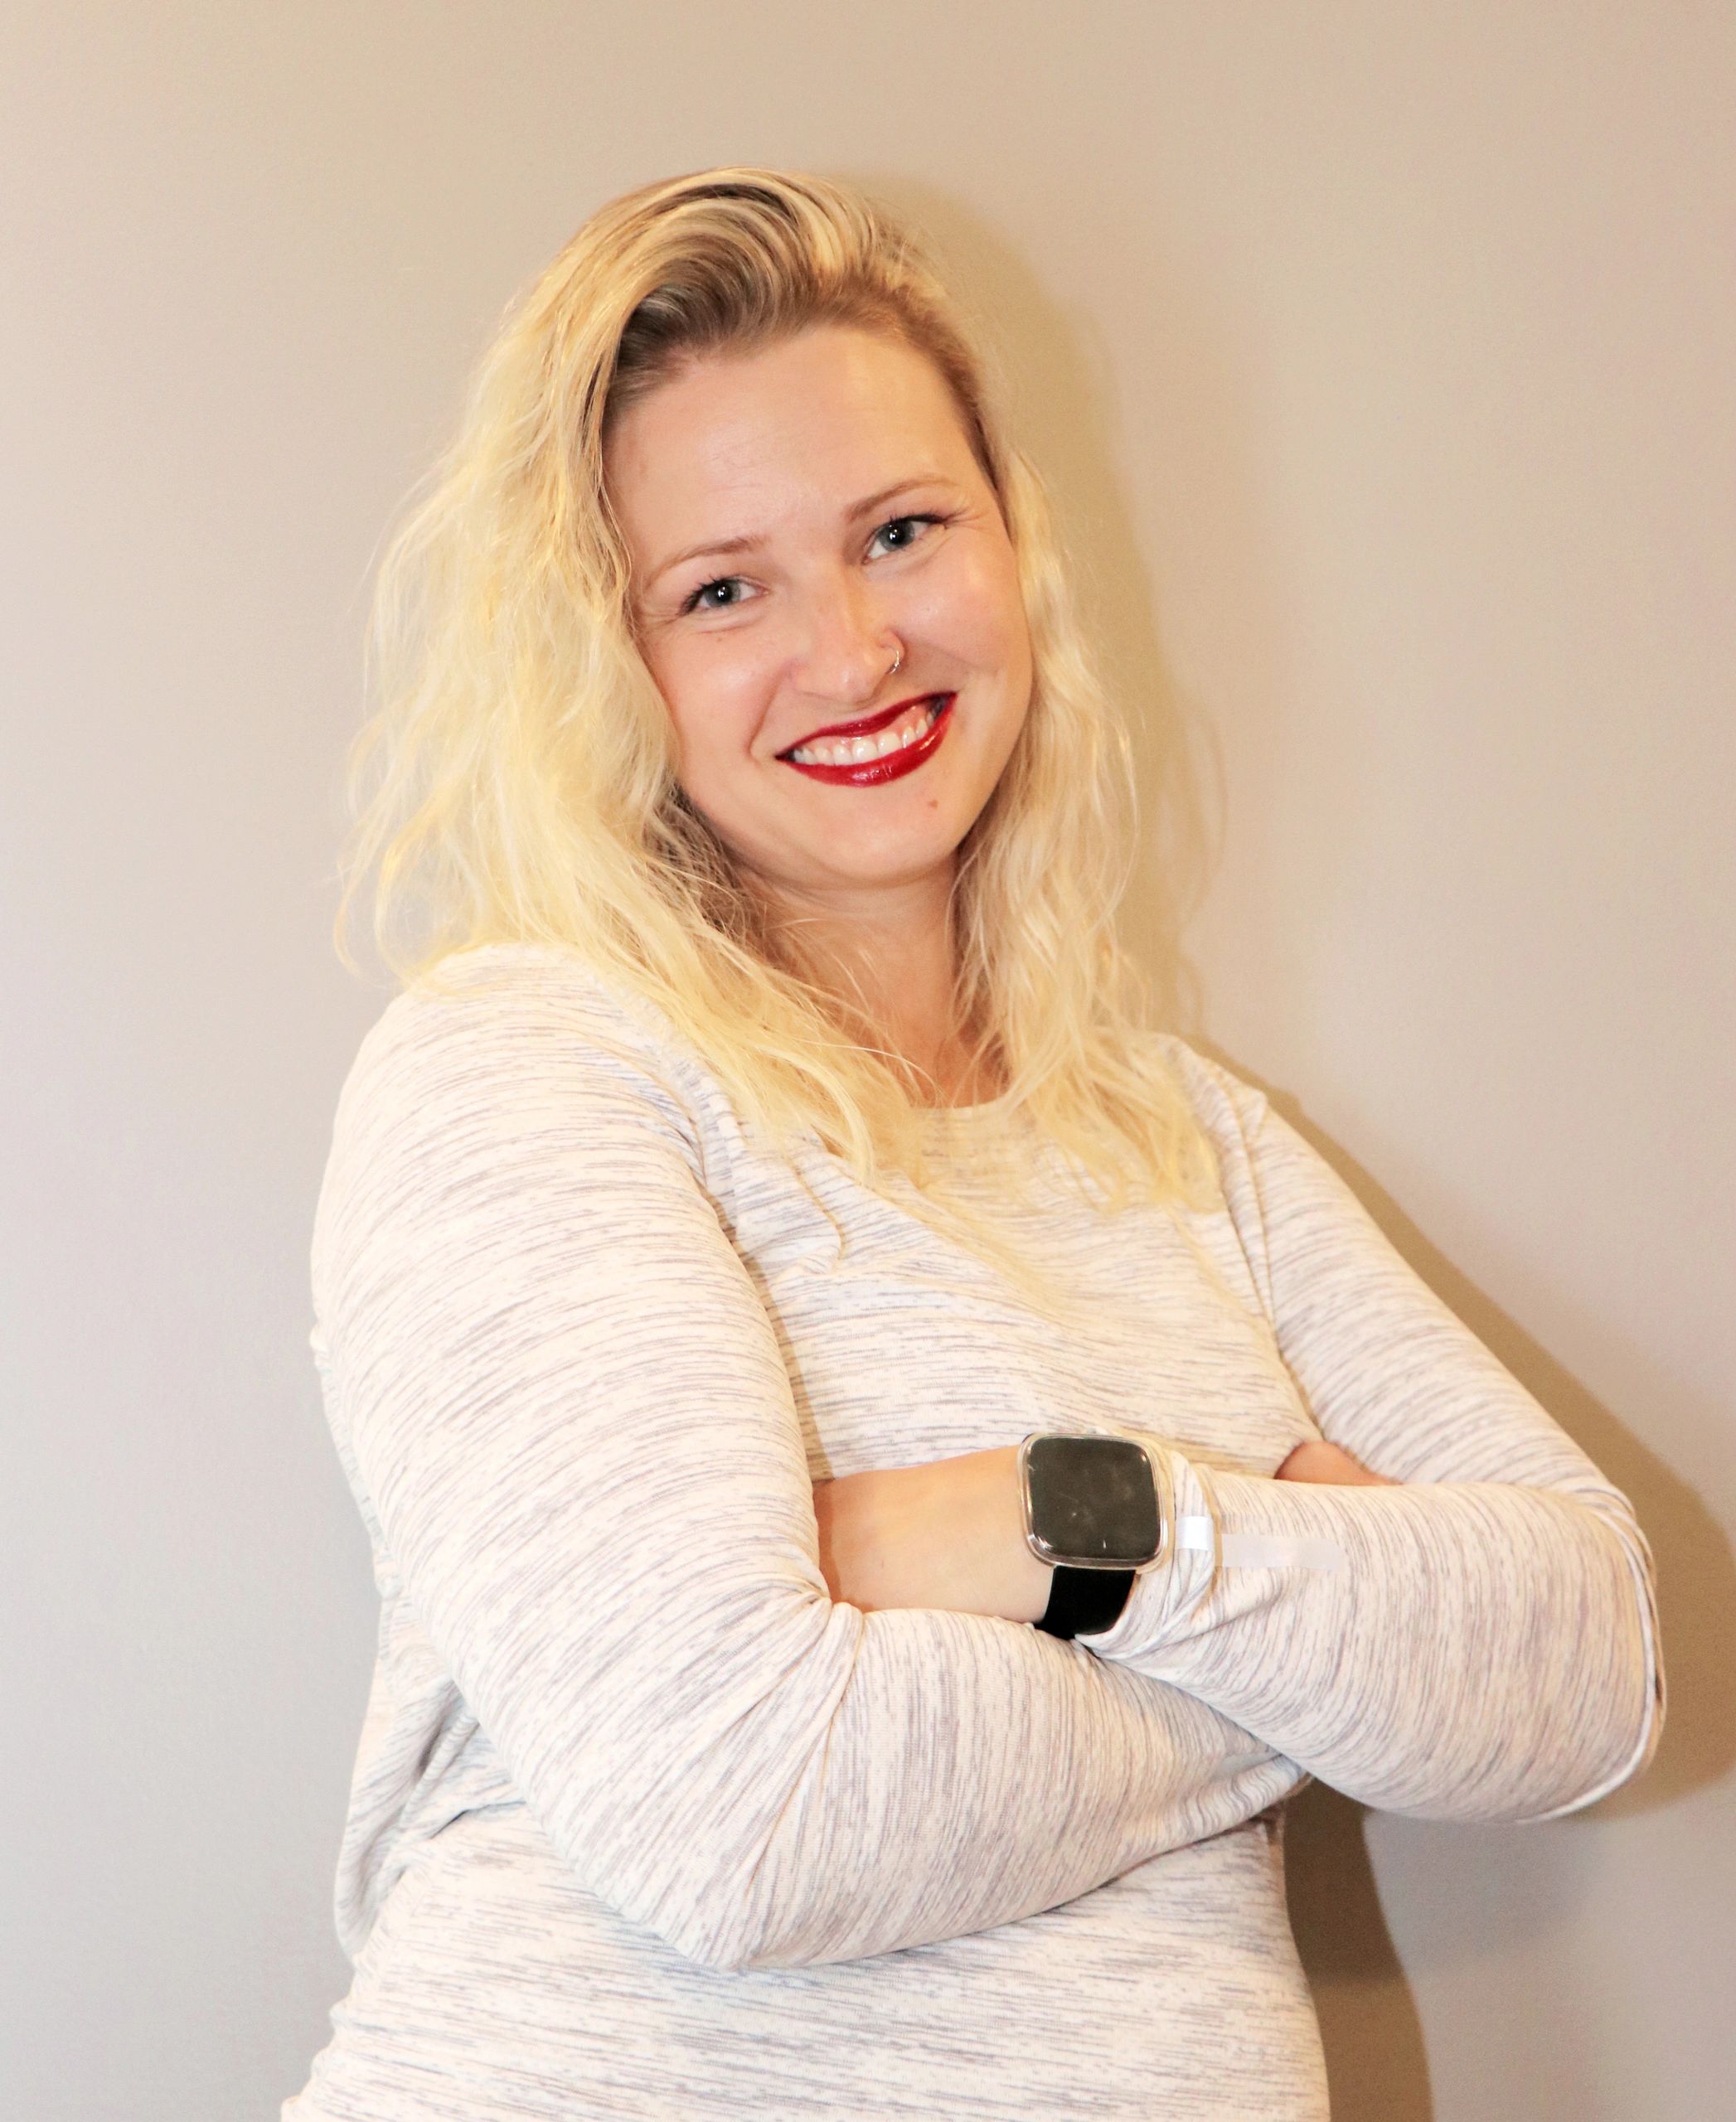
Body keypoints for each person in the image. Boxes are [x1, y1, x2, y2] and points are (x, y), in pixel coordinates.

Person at [284, 167, 1663, 2120]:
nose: (853, 651)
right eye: (723, 587)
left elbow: (1587, 1666)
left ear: (1013, 546)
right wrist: (1310, 1625)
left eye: (901, 530)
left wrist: (1088, 1533)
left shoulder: (1187, 1136)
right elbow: (745, 1815)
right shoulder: (525, 1071)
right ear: (615, 657)